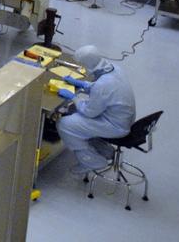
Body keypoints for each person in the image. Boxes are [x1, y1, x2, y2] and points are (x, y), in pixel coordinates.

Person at [55, 45, 136, 176]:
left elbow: (89, 112)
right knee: (74, 112)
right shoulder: (115, 69)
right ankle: (104, 150)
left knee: (64, 124)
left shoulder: (103, 84)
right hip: (121, 118)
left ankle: (92, 161)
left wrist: (74, 97)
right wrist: (83, 85)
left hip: (115, 126)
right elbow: (103, 90)